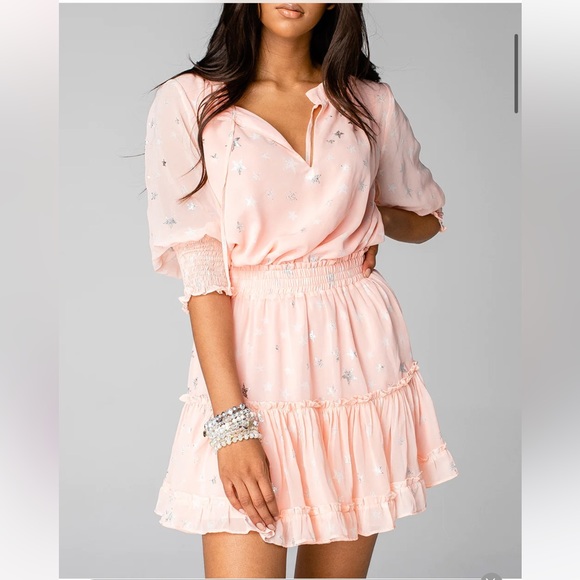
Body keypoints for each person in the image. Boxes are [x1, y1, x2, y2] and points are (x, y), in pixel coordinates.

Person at [144, 3, 459, 578]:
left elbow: (427, 218)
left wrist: (373, 215)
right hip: (251, 359)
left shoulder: (370, 102)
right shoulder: (189, 100)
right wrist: (231, 424)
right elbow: (203, 270)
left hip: (356, 357)